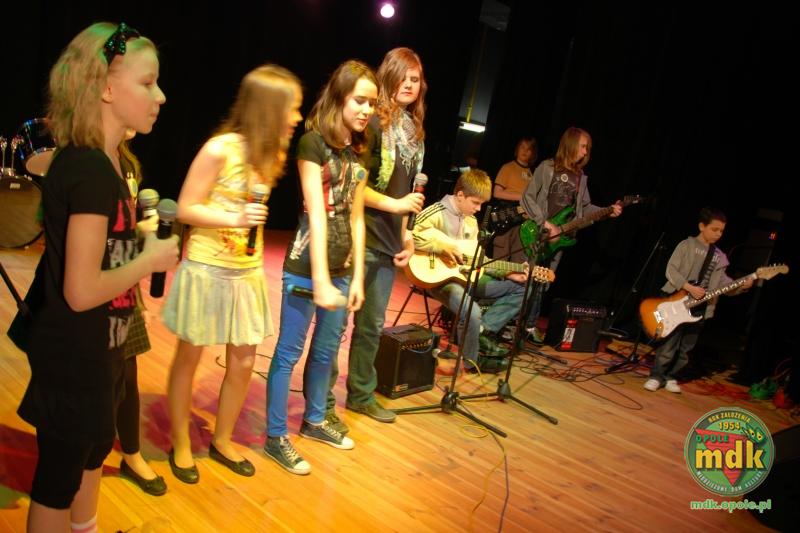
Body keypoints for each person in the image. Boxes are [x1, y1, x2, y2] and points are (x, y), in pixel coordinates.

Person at [12, 22, 178, 533]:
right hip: (74, 354)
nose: (161, 96)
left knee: (91, 454)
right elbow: (81, 290)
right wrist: (149, 260)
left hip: (100, 348)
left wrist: (136, 240)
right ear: (106, 88)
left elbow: (100, 253)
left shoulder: (104, 164)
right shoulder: (88, 170)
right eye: (147, 83)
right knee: (58, 480)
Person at [162, 65, 302, 483]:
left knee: (243, 362)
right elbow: (184, 207)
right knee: (189, 356)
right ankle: (180, 443)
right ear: (269, 108)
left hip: (246, 271)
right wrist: (235, 217)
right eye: (292, 108)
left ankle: (221, 440)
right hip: (206, 268)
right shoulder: (219, 148)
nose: (297, 117)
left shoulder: (272, 155)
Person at [265, 60, 374, 475]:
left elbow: (357, 217)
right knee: (288, 353)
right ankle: (276, 436)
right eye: (359, 101)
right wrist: (322, 279)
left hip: (342, 270)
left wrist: (357, 276)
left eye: (371, 104)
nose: (366, 110)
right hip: (306, 267)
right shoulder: (313, 143)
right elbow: (317, 212)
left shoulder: (359, 151)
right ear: (340, 97)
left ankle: (314, 421)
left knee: (327, 351)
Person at [321, 48, 426, 429]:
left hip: (388, 243)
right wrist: (395, 205)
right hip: (359, 237)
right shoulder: (374, 126)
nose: (410, 85)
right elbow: (355, 187)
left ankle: (362, 396)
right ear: (389, 77)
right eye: (404, 77)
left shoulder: (415, 134)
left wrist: (407, 235)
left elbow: (410, 193)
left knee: (370, 329)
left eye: (416, 80)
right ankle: (322, 401)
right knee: (336, 326)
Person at [413, 169, 538, 374]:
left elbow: (477, 260)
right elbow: (410, 236)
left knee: (523, 287)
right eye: (475, 203)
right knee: (472, 312)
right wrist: (443, 247)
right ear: (460, 195)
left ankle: (481, 330)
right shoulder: (435, 212)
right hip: (439, 280)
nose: (479, 209)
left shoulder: (471, 221)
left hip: (466, 277)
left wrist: (508, 273)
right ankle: (472, 362)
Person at [520, 127, 622, 342]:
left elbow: (584, 209)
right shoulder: (547, 168)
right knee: (525, 278)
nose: (585, 152)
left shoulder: (580, 178)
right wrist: (543, 222)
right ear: (571, 144)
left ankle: (528, 327)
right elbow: (527, 197)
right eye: (583, 146)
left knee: (543, 282)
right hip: (538, 232)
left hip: (559, 238)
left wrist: (607, 211)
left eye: (587, 148)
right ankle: (514, 322)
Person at [644, 207, 752, 393]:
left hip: (700, 307)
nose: (718, 234)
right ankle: (656, 376)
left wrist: (741, 285)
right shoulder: (686, 245)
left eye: (721, 231)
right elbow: (671, 270)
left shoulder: (720, 257)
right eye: (714, 229)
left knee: (686, 347)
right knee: (669, 343)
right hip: (677, 300)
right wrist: (689, 287)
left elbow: (723, 285)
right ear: (702, 226)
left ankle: (671, 377)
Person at [115, 136, 167, 496]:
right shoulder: (86, 162)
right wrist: (136, 231)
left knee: (127, 374)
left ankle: (131, 454)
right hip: (93, 289)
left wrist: (140, 302)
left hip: (124, 286)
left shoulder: (128, 163)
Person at [492, 136, 537, 263]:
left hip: (524, 223)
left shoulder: (534, 173)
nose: (525, 151)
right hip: (508, 217)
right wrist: (522, 197)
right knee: (499, 262)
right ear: (517, 149)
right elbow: (496, 193)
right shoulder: (508, 168)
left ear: (533, 153)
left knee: (519, 263)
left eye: (529, 149)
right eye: (522, 147)